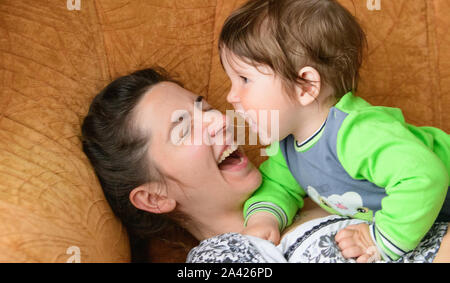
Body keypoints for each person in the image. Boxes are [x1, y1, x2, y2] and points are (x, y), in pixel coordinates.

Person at [80, 67, 450, 263]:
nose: (221, 120)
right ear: (155, 198)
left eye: (204, 108)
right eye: (184, 130)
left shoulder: (310, 173)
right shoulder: (221, 257)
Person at [218, 0, 450, 262]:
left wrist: (380, 240)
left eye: (244, 79)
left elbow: (424, 177)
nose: (231, 96)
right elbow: (277, 185)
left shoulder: (355, 133)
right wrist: (264, 218)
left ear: (305, 86)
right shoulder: (288, 145)